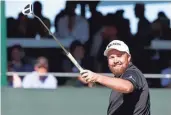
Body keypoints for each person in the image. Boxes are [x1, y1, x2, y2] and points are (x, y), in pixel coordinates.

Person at [80, 40, 150, 115]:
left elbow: (127, 87)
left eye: (119, 56)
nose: (115, 60)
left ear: (128, 57)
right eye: (112, 57)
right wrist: (93, 82)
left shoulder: (133, 72)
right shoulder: (119, 78)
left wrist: (96, 77)